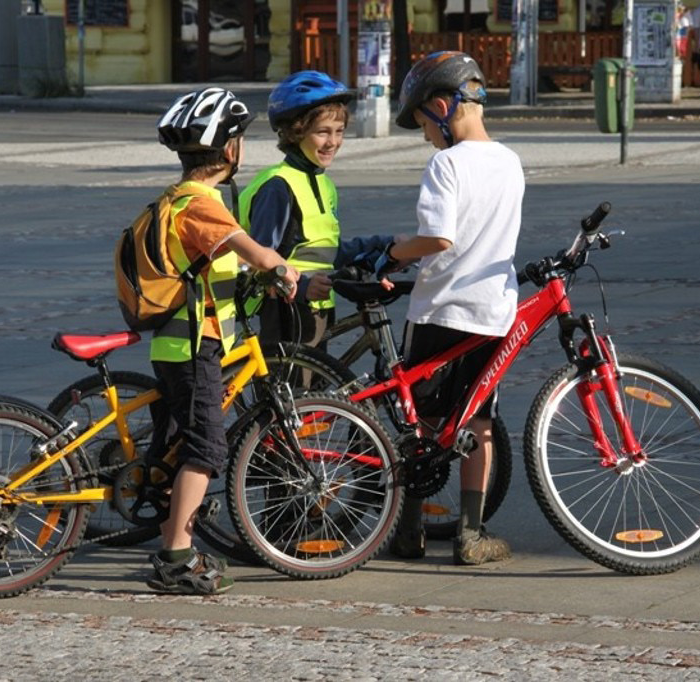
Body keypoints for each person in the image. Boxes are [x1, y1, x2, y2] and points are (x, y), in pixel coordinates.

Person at [147, 87, 299, 594]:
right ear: (229, 149)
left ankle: (175, 533)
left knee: (184, 443)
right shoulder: (202, 203)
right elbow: (249, 248)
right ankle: (176, 558)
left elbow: (211, 266)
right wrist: (279, 266)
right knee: (207, 448)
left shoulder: (178, 198)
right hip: (194, 346)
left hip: (182, 343)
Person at [382, 51, 522, 565]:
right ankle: (470, 534)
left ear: (443, 106)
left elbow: (438, 238)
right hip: (492, 315)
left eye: (422, 122)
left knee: (420, 421)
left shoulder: (446, 163)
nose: (424, 135)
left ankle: (410, 530)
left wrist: (392, 251)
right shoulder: (509, 161)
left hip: (440, 310)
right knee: (478, 423)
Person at [238, 71, 396, 350]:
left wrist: (383, 246)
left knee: (318, 391)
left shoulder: (324, 183)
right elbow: (256, 261)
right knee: (296, 393)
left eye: (339, 132)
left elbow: (325, 249)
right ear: (295, 132)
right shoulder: (278, 186)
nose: (332, 142)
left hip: (316, 306)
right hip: (285, 309)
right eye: (322, 132)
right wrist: (304, 286)